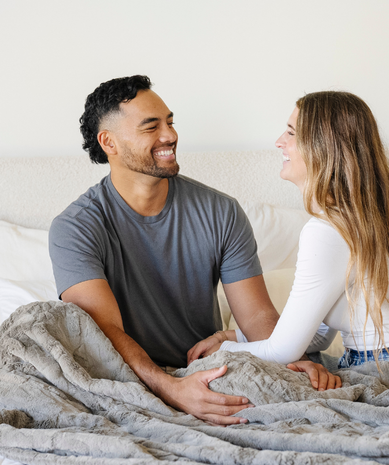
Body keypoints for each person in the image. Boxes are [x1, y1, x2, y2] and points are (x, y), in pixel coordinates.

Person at [49, 76, 336, 427]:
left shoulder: (222, 212)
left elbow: (257, 316)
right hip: (128, 379)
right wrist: (171, 388)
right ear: (109, 142)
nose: (169, 135)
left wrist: (292, 356)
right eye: (151, 127)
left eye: (169, 122)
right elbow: (104, 333)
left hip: (208, 371)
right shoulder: (75, 228)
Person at [188, 91, 389, 369]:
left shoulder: (325, 230)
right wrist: (234, 337)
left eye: (291, 133)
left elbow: (283, 351)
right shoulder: (369, 220)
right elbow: (319, 335)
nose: (279, 142)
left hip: (383, 367)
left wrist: (222, 350)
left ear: (322, 148)